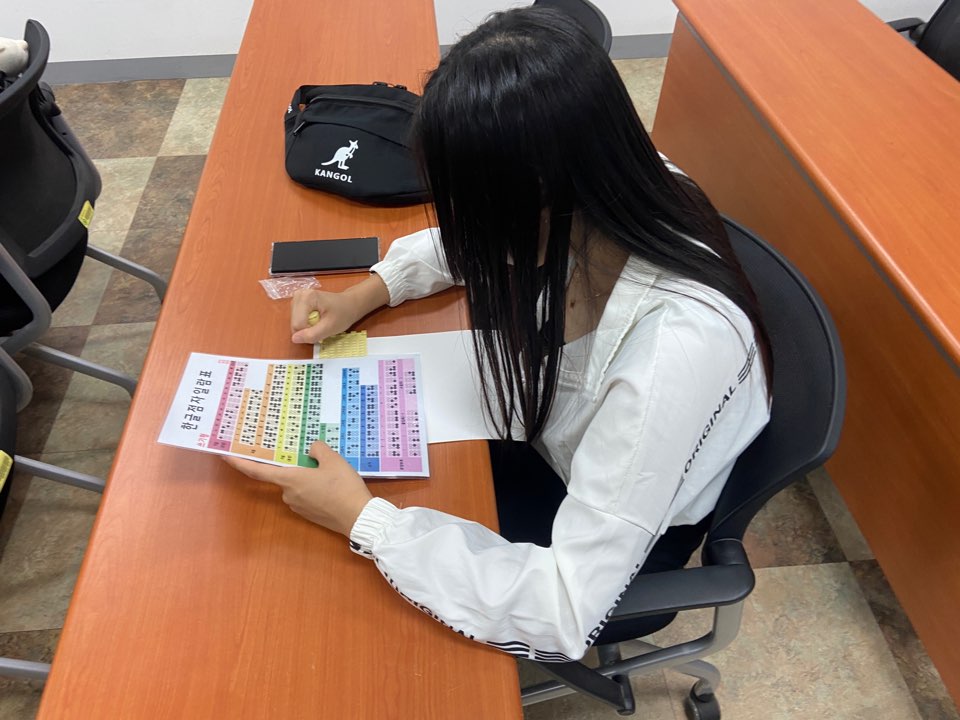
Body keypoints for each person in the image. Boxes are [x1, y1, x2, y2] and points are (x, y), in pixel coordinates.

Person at [225, 6, 771, 662]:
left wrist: (362, 519)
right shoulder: (603, 183)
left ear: (535, 192)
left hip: (613, 541)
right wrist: (370, 291)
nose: (459, 223)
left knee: (324, 611)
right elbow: (473, 237)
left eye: (469, 202)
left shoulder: (671, 355)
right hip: (551, 436)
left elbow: (565, 606)